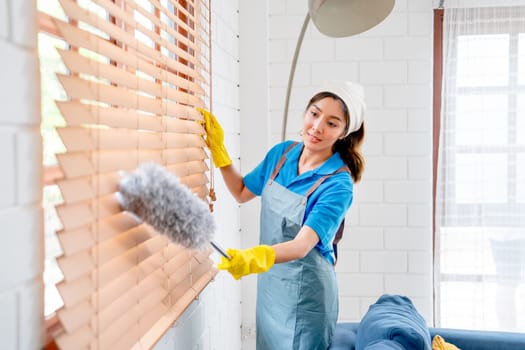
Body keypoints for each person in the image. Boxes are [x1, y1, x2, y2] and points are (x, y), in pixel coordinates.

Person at [197, 80, 366, 350]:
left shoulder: (338, 184)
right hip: (271, 285)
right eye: (314, 113)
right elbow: (241, 191)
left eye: (332, 123)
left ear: (344, 132)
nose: (317, 127)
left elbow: (302, 246)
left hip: (307, 295)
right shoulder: (282, 153)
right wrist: (220, 153)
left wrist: (255, 256)